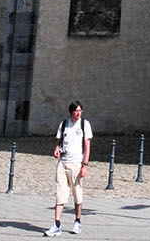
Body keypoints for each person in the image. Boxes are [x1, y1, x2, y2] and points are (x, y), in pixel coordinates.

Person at [46, 99, 92, 235]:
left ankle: (77, 221)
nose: (78, 113)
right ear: (71, 112)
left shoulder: (85, 124)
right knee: (60, 193)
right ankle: (57, 224)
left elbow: (87, 146)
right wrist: (56, 149)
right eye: (76, 111)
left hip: (76, 163)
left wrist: (85, 165)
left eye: (80, 111)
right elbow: (59, 140)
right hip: (63, 162)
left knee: (77, 194)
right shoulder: (64, 124)